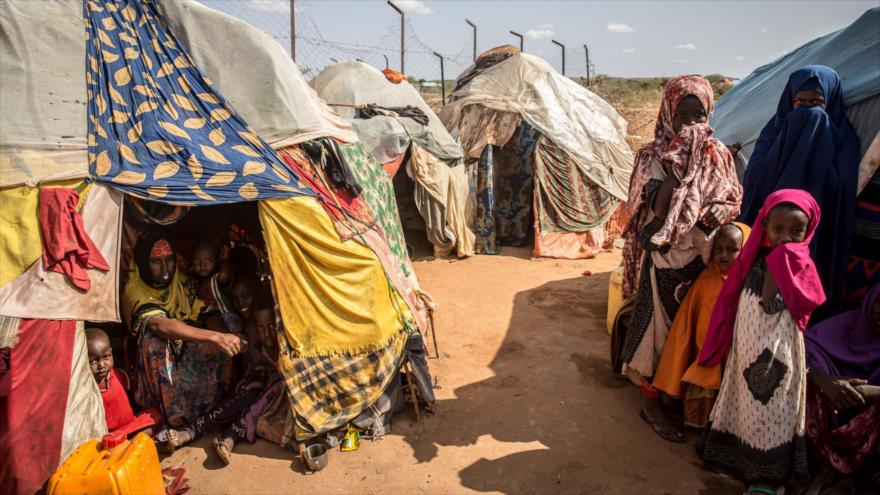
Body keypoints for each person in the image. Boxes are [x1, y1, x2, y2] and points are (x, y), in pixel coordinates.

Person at [619, 75, 742, 442]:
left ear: (710, 114)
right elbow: (658, 208)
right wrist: (681, 160)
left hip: (704, 260)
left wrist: (721, 209)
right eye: (682, 115)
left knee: (691, 332)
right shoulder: (652, 155)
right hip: (665, 259)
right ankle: (652, 402)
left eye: (698, 115)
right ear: (668, 114)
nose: (690, 124)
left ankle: (678, 394)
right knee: (658, 332)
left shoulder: (718, 153)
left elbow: (731, 198)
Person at [698, 189, 826, 494]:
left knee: (770, 407)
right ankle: (736, 460)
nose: (785, 238)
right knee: (743, 401)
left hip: (777, 354)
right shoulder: (753, 257)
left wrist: (780, 262)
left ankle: (766, 478)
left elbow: (771, 304)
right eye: (777, 229)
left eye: (795, 231)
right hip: (747, 347)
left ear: (808, 231)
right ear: (765, 225)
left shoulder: (800, 264)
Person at [738, 66, 860, 320]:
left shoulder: (844, 139)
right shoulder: (773, 133)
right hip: (771, 235)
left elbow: (842, 188)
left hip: (818, 236)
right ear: (789, 101)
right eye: (800, 102)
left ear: (830, 102)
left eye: (817, 103)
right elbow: (755, 179)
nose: (808, 110)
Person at [123, 233, 243, 428]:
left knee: (228, 326)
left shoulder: (182, 283)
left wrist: (229, 337)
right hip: (156, 366)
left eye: (169, 260)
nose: (165, 268)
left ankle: (214, 405)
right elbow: (158, 325)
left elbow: (207, 313)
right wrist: (214, 336)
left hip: (185, 353)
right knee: (155, 342)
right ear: (144, 263)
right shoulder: (135, 291)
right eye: (156, 261)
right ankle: (173, 415)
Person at [158, 296, 283, 466]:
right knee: (247, 395)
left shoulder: (288, 344)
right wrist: (252, 377)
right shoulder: (253, 339)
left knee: (267, 393)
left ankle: (229, 435)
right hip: (259, 387)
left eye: (271, 326)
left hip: (278, 395)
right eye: (261, 327)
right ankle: (197, 431)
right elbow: (253, 369)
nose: (267, 333)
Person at [651, 222, 750, 431]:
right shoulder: (706, 281)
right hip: (704, 353)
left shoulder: (748, 282)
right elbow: (689, 325)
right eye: (718, 249)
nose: (723, 256)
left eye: (732, 250)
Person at [802, 283, 880, 494]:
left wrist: (870, 392)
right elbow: (802, 349)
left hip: (867, 435)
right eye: (879, 303)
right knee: (805, 380)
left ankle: (853, 478)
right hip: (828, 417)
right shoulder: (847, 325)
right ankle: (821, 468)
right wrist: (826, 382)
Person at [86, 328, 136, 432]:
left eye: (106, 357)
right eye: (92, 361)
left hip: (130, 427)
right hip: (108, 435)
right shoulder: (86, 389)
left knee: (155, 416)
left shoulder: (118, 375)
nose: (101, 365)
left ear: (111, 352)